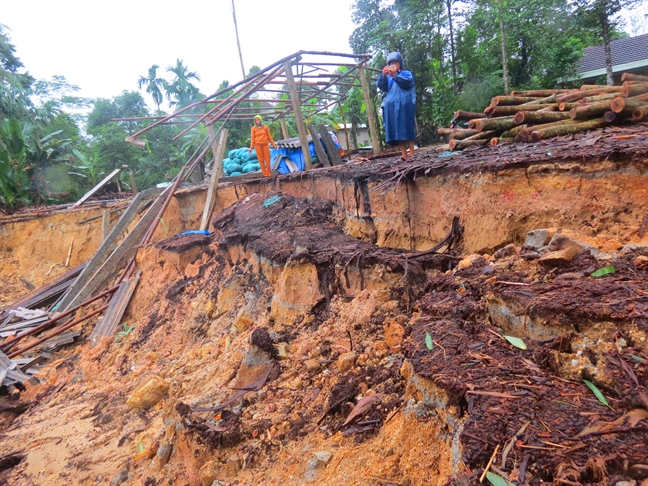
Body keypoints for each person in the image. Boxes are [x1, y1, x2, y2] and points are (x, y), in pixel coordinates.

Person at [376, 51, 416, 161]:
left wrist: (395, 75)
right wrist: (383, 76)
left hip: (405, 106)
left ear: (400, 64)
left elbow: (407, 82)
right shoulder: (388, 78)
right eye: (391, 63)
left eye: (395, 63)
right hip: (392, 108)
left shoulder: (406, 73)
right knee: (397, 130)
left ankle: (411, 154)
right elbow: (382, 87)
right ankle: (404, 155)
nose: (393, 65)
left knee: (407, 127)